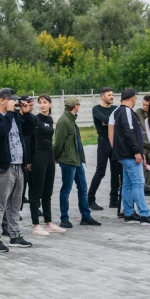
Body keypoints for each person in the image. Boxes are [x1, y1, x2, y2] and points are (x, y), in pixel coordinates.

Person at [0, 88, 34, 252]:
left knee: (16, 203)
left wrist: (26, 113)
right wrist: (9, 113)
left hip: (18, 165)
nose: (14, 103)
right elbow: (1, 131)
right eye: (11, 100)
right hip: (3, 167)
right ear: (2, 100)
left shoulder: (14, 115)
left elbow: (29, 130)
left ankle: (15, 235)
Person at [112, 89, 150, 226]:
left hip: (124, 154)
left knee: (127, 184)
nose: (136, 101)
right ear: (132, 98)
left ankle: (129, 213)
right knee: (138, 183)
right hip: (129, 154)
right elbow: (129, 133)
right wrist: (136, 152)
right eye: (135, 98)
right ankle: (145, 215)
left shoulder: (118, 111)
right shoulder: (126, 111)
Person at [53, 96, 102, 228]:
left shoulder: (71, 119)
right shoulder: (64, 121)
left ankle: (85, 216)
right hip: (69, 161)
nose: (79, 106)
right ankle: (64, 218)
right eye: (79, 104)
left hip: (77, 160)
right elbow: (57, 143)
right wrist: (56, 157)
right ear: (75, 106)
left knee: (83, 188)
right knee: (66, 189)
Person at [28, 95, 66, 236]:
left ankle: (49, 222)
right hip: (38, 156)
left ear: (50, 105)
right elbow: (30, 140)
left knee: (47, 191)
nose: (42, 105)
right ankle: (36, 225)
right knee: (36, 192)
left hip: (49, 156)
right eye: (40, 103)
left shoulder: (50, 120)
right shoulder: (35, 119)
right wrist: (29, 161)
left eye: (45, 102)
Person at [87, 87, 118, 211]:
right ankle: (90, 199)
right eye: (109, 95)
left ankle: (114, 200)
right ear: (102, 96)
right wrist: (110, 122)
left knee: (116, 171)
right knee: (101, 171)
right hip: (103, 140)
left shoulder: (115, 109)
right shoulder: (96, 109)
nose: (111, 97)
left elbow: (115, 121)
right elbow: (106, 119)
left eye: (112, 94)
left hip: (114, 140)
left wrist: (108, 123)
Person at [135, 96, 150, 195]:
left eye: (147, 105)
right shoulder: (138, 112)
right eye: (143, 104)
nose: (144, 107)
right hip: (142, 144)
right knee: (141, 165)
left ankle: (149, 187)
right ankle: (141, 187)